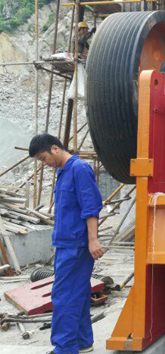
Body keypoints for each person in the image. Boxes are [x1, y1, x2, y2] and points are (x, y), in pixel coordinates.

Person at [28, 134, 103, 354]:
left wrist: (93, 240)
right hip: (66, 244)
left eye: (43, 158)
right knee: (78, 293)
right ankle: (82, 341)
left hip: (76, 246)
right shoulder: (63, 172)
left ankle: (65, 348)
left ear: (55, 148)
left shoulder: (79, 169)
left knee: (64, 296)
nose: (44, 163)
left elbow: (90, 207)